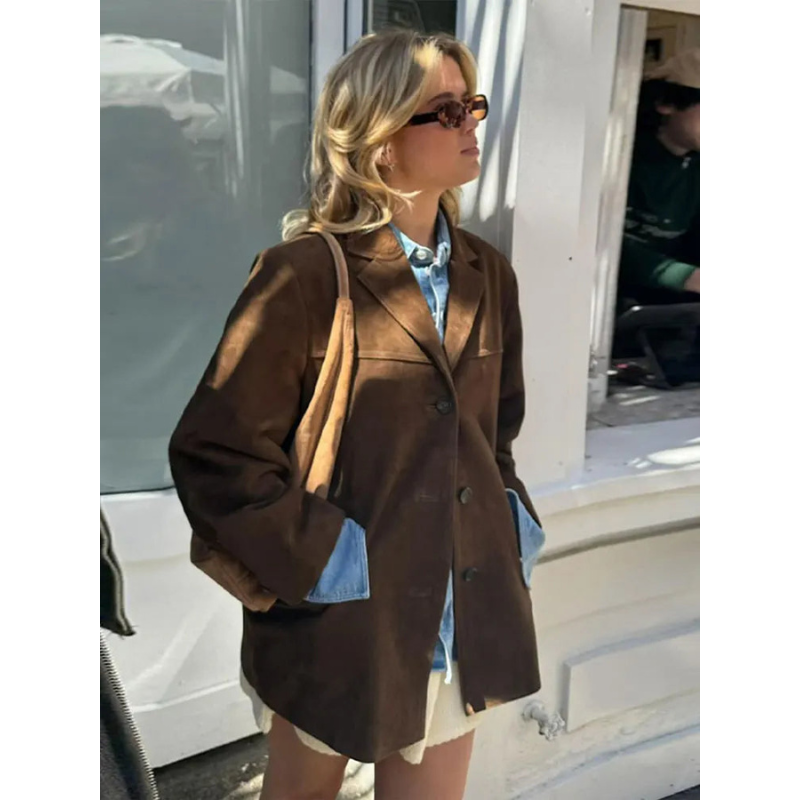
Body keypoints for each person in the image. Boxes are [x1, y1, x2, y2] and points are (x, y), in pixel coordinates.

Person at [169, 28, 545, 800]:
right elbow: (216, 452)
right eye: (446, 110)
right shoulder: (303, 275)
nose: (472, 123)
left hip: (465, 610)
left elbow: (494, 434)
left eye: (472, 104)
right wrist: (328, 563)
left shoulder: (488, 272)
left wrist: (510, 528)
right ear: (380, 138)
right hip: (345, 617)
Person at [614, 48, 700, 385]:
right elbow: (599, 243)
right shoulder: (619, 153)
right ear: (667, 103)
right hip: (604, 320)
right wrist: (687, 276)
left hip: (667, 328)